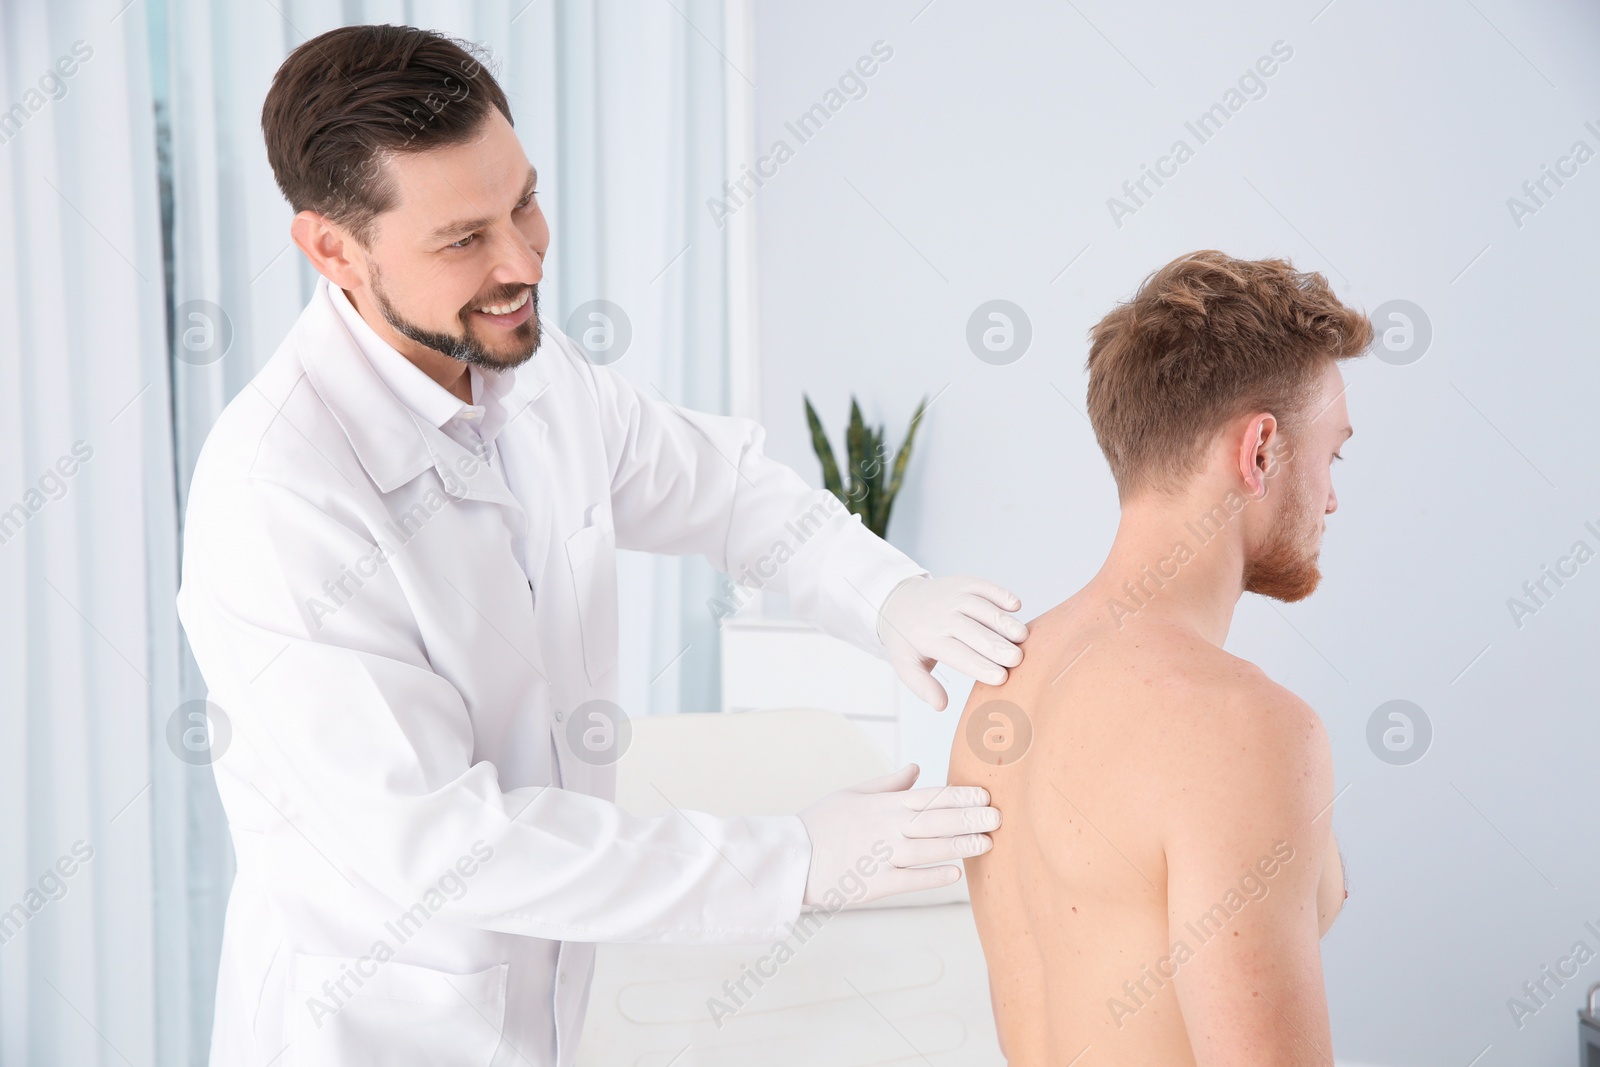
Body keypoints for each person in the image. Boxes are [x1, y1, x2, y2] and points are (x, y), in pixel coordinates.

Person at [176, 25, 1025, 1067]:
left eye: (525, 201)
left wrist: (887, 592)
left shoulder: (534, 374)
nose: (524, 261)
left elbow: (722, 491)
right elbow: (441, 846)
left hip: (544, 1017)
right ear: (333, 250)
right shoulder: (279, 492)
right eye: (462, 239)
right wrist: (792, 857)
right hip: (374, 1032)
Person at [950, 250, 1367, 1065]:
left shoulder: (1001, 684)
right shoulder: (1245, 727)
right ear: (1261, 451)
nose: (1331, 497)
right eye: (1334, 455)